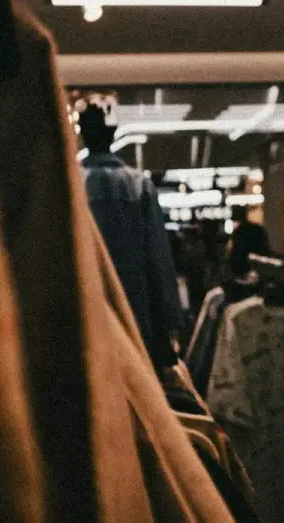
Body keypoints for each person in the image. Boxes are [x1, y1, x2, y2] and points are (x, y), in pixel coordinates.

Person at [78, 101, 185, 370]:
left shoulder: (71, 183)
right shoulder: (138, 185)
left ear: (82, 134)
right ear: (113, 135)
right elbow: (158, 259)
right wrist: (169, 322)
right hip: (136, 313)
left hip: (84, 309)